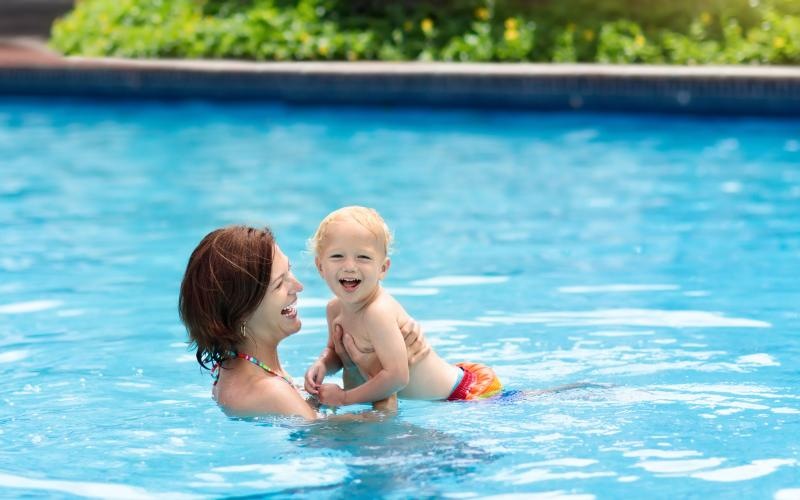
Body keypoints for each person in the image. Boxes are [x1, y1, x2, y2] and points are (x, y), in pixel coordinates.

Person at [178, 225, 430, 420]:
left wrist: (355, 364)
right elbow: (363, 436)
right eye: (280, 283)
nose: (298, 286)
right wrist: (387, 385)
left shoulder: (236, 372)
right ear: (241, 311)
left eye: (290, 271)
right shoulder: (269, 391)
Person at [305, 206, 503, 408]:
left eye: (363, 257)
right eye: (337, 256)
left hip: (466, 394)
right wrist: (323, 364)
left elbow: (397, 377)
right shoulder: (334, 309)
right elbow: (336, 352)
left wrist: (345, 398)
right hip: (452, 386)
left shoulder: (377, 312)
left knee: (521, 399)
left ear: (383, 268)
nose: (349, 266)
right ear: (320, 267)